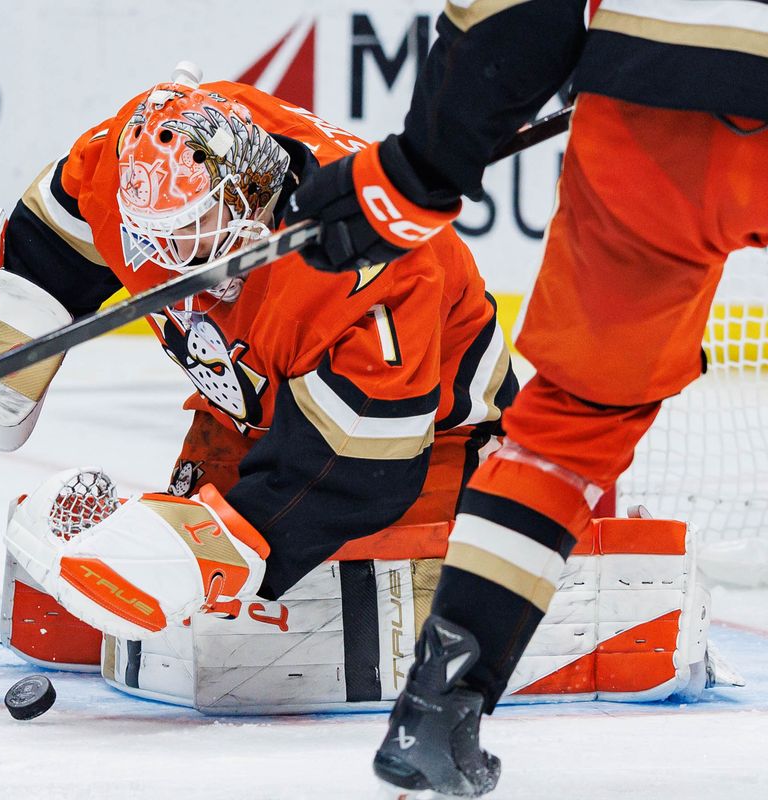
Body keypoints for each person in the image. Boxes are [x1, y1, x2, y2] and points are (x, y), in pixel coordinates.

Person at [284, 1, 768, 796]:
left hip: (651, 109)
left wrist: (418, 170)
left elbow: (514, 16)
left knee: (569, 428)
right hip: (656, 89)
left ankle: (439, 707)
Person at [0, 63, 516, 647]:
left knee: (376, 591)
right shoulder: (131, 160)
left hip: (427, 441)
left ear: (247, 207)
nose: (155, 258)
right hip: (246, 415)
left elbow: (361, 463)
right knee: (176, 599)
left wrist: (225, 543)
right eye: (142, 234)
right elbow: (53, 246)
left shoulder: (373, 267)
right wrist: (3, 343)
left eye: (183, 231)